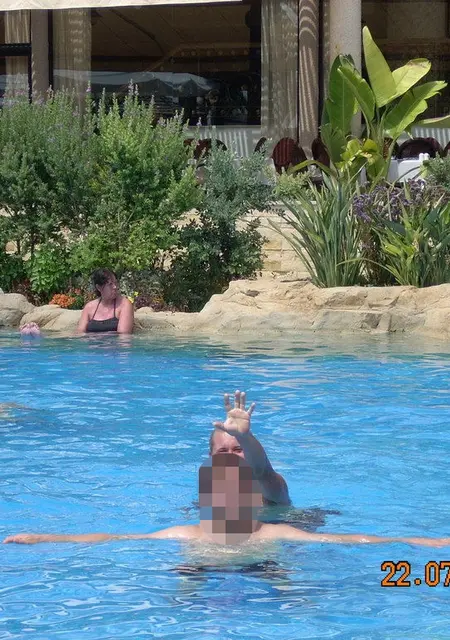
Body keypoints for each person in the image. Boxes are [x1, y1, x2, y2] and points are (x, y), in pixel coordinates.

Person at [4, 454, 450, 547]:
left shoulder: (274, 531)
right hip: (206, 569)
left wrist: (426, 543)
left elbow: (353, 540)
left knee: (293, 591)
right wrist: (47, 537)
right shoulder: (188, 533)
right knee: (184, 590)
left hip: (263, 569)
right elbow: (113, 537)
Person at [210, 390, 290, 506]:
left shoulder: (268, 487)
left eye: (238, 450)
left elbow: (262, 472)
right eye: (222, 451)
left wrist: (244, 437)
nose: (231, 456)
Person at [77, 269, 134, 334]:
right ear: (99, 287)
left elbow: (124, 335)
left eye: (116, 283)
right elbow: (80, 333)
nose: (115, 287)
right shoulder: (89, 307)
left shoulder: (124, 304)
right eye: (110, 284)